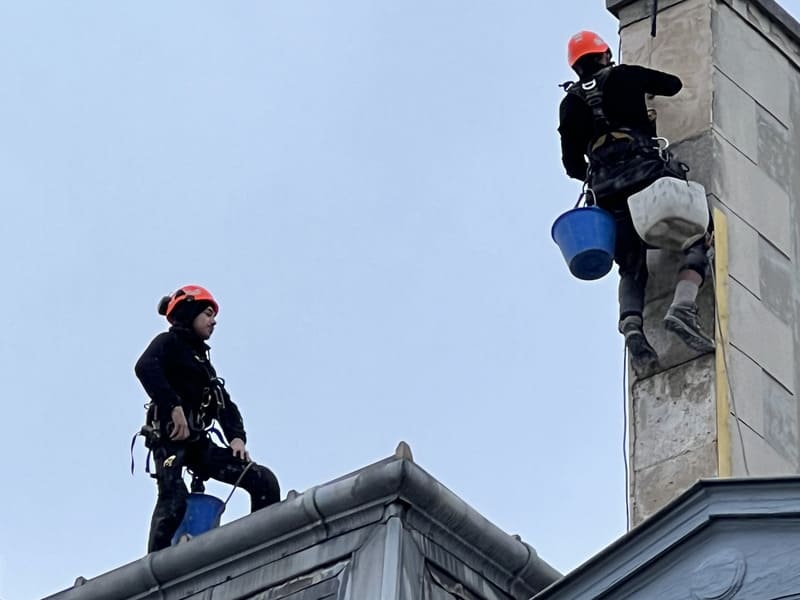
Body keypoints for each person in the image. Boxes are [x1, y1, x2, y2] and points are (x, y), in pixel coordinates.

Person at [557, 30, 715, 376]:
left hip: (606, 189)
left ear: (576, 67)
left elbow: (572, 166)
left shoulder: (569, 104)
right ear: (603, 55)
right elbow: (672, 84)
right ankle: (683, 306)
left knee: (630, 263)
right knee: (698, 232)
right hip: (645, 171)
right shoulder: (624, 75)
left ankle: (632, 328)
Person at [135, 284, 280, 552]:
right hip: (171, 440)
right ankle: (155, 574)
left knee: (263, 481)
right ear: (189, 313)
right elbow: (145, 367)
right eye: (208, 314)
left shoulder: (203, 365)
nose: (214, 322)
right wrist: (174, 406)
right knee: (173, 501)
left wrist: (236, 437)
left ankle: (263, 549)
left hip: (198, 443)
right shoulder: (167, 344)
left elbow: (225, 405)